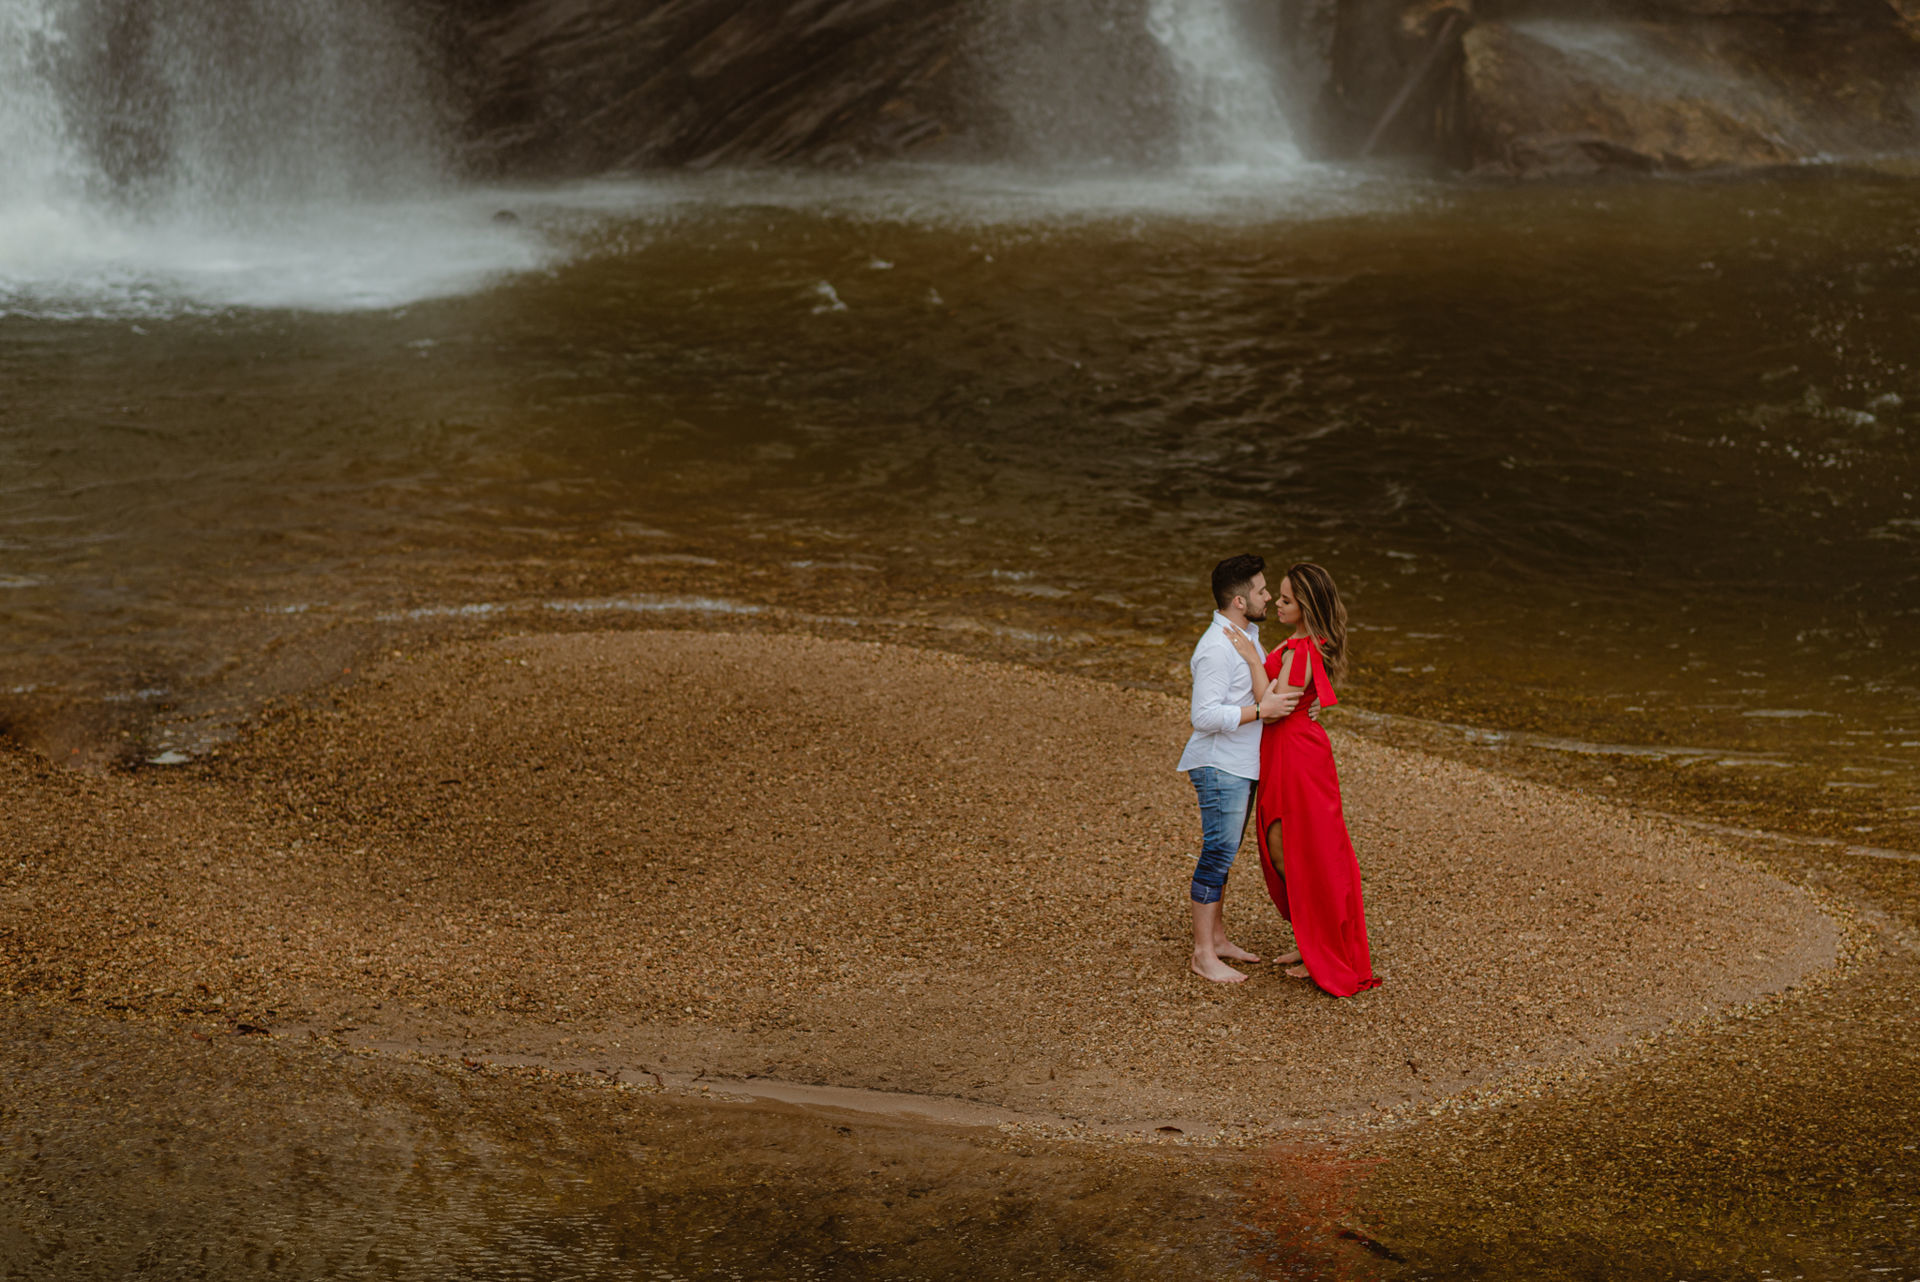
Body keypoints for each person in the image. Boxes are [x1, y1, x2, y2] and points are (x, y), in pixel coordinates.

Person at [1225, 562, 1381, 997]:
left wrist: (1249, 657)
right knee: (1290, 852)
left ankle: (1323, 952)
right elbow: (1300, 695)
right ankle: (1313, 941)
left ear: (1307, 607)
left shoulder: (1304, 650)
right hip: (1284, 751)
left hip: (1298, 759)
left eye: (1287, 600)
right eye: (1277, 594)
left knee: (1303, 853)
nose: (1276, 602)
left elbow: (1270, 701)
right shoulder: (1302, 643)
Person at [1176, 554, 1305, 983]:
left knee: (1224, 856)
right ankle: (1202, 954)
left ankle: (1218, 940)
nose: (1269, 597)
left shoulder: (1246, 636)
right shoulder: (1215, 648)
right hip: (1220, 766)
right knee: (1216, 855)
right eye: (1262, 591)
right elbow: (1203, 716)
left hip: (1240, 766)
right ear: (1238, 600)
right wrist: (1259, 710)